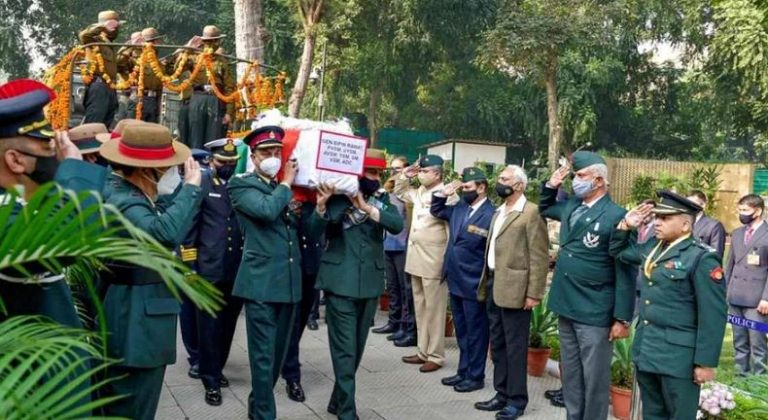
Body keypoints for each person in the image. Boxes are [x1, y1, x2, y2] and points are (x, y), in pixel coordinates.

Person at [97, 121, 202, 420]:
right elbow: (163, 232)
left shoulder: (127, 192)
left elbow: (155, 209)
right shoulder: (124, 200)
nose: (173, 174)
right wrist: (192, 189)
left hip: (136, 321)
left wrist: (175, 194)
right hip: (137, 329)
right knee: (135, 409)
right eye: (167, 168)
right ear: (146, 171)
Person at [539, 151, 635, 420]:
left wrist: (622, 318)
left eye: (580, 176)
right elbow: (545, 207)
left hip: (595, 309)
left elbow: (625, 270)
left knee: (594, 378)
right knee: (570, 372)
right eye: (575, 176)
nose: (575, 181)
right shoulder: (572, 205)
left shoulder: (617, 216)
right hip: (566, 303)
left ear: (599, 181)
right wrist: (551, 185)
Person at [308, 148, 404, 419]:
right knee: (344, 352)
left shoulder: (379, 200)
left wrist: (367, 207)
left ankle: (337, 400)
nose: (375, 178)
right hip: (340, 284)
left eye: (378, 173)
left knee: (357, 349)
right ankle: (347, 412)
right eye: (370, 172)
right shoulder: (336, 199)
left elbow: (396, 225)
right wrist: (322, 206)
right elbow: (315, 232)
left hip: (370, 285)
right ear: (356, 174)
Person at [616, 191, 727, 420]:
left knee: (679, 415)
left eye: (665, 218)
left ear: (686, 224)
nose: (657, 222)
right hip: (648, 349)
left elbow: (713, 314)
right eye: (657, 217)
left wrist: (705, 362)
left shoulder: (701, 257)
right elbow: (620, 252)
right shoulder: (654, 247)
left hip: (679, 358)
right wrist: (626, 227)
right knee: (653, 414)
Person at [227, 125, 301, 420]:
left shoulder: (278, 186)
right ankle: (264, 414)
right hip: (260, 284)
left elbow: (294, 230)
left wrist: (318, 209)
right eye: (266, 152)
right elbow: (267, 211)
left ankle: (258, 403)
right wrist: (287, 184)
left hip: (288, 284)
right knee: (262, 357)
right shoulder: (241, 184)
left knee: (277, 357)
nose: (273, 156)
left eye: (277, 152)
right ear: (254, 157)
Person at [474, 165, 549, 419]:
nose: (499, 181)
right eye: (499, 178)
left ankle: (517, 400)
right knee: (498, 344)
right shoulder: (499, 211)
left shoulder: (531, 212)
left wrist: (534, 293)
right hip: (495, 284)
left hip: (517, 290)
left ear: (519, 185)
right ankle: (501, 393)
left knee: (515, 347)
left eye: (504, 178)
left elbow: (539, 257)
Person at [179, 137, 244, 405]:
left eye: (231, 162)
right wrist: (190, 267)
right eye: (222, 161)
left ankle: (217, 367)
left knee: (227, 327)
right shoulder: (203, 184)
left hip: (234, 269)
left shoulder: (239, 186)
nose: (227, 166)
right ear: (210, 161)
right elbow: (189, 229)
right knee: (208, 327)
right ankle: (210, 379)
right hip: (207, 268)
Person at [430, 166, 495, 393]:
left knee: (476, 332)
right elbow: (436, 210)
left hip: (474, 282)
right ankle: (463, 371)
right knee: (462, 331)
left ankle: (476, 376)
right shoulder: (459, 207)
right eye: (463, 186)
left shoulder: (491, 214)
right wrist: (443, 193)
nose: (464, 190)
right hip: (455, 279)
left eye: (468, 187)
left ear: (482, 187)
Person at [394, 155, 457, 373]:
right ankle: (423, 350)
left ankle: (436, 355)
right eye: (419, 171)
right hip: (416, 257)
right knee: (420, 306)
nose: (420, 175)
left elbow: (452, 229)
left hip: (434, 259)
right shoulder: (420, 191)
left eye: (424, 171)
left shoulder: (448, 195)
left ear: (437, 174)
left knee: (435, 310)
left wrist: (449, 260)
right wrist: (405, 175)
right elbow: (400, 191)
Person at [281, 187, 325, 403]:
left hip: (311, 266)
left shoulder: (316, 195)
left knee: (297, 324)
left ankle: (284, 357)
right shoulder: (282, 194)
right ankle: (292, 375)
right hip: (289, 267)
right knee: (290, 321)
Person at [373, 156, 417, 348]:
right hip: (388, 244)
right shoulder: (386, 192)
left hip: (403, 245)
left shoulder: (407, 192)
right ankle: (393, 321)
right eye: (392, 169)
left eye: (398, 169)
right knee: (392, 286)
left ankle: (404, 326)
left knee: (404, 287)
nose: (394, 173)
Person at [725, 194, 768, 375]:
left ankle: (759, 381)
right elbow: (729, 265)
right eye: (740, 210)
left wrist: (766, 298)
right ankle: (740, 378)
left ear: (757, 211)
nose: (741, 214)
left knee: (757, 343)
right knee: (739, 341)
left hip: (757, 301)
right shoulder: (737, 233)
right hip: (735, 297)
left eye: (745, 210)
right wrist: (724, 292)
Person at [178, 26, 235, 149]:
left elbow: (230, 88)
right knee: (195, 135)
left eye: (214, 41)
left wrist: (229, 113)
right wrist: (186, 49)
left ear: (218, 42)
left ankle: (211, 163)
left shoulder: (222, 61)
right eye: (208, 41)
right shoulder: (194, 57)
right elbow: (177, 69)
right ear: (203, 42)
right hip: (198, 98)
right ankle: (195, 163)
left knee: (214, 136)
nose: (211, 44)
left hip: (215, 100)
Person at [78, 10, 124, 127]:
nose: (117, 29)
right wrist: (103, 26)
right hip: (99, 86)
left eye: (117, 26)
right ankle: (87, 145)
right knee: (94, 123)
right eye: (114, 26)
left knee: (106, 124)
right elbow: (83, 36)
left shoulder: (111, 44)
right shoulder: (94, 39)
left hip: (110, 87)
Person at [117, 27, 167, 122]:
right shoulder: (135, 59)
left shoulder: (157, 62)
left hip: (153, 100)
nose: (159, 43)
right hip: (138, 98)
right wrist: (130, 46)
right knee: (133, 131)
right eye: (156, 41)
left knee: (148, 132)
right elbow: (118, 63)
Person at [687, 190, 726, 261]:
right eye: (687, 203)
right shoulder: (683, 223)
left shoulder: (714, 226)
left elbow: (716, 255)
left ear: (703, 205)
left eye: (693, 203)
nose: (689, 206)